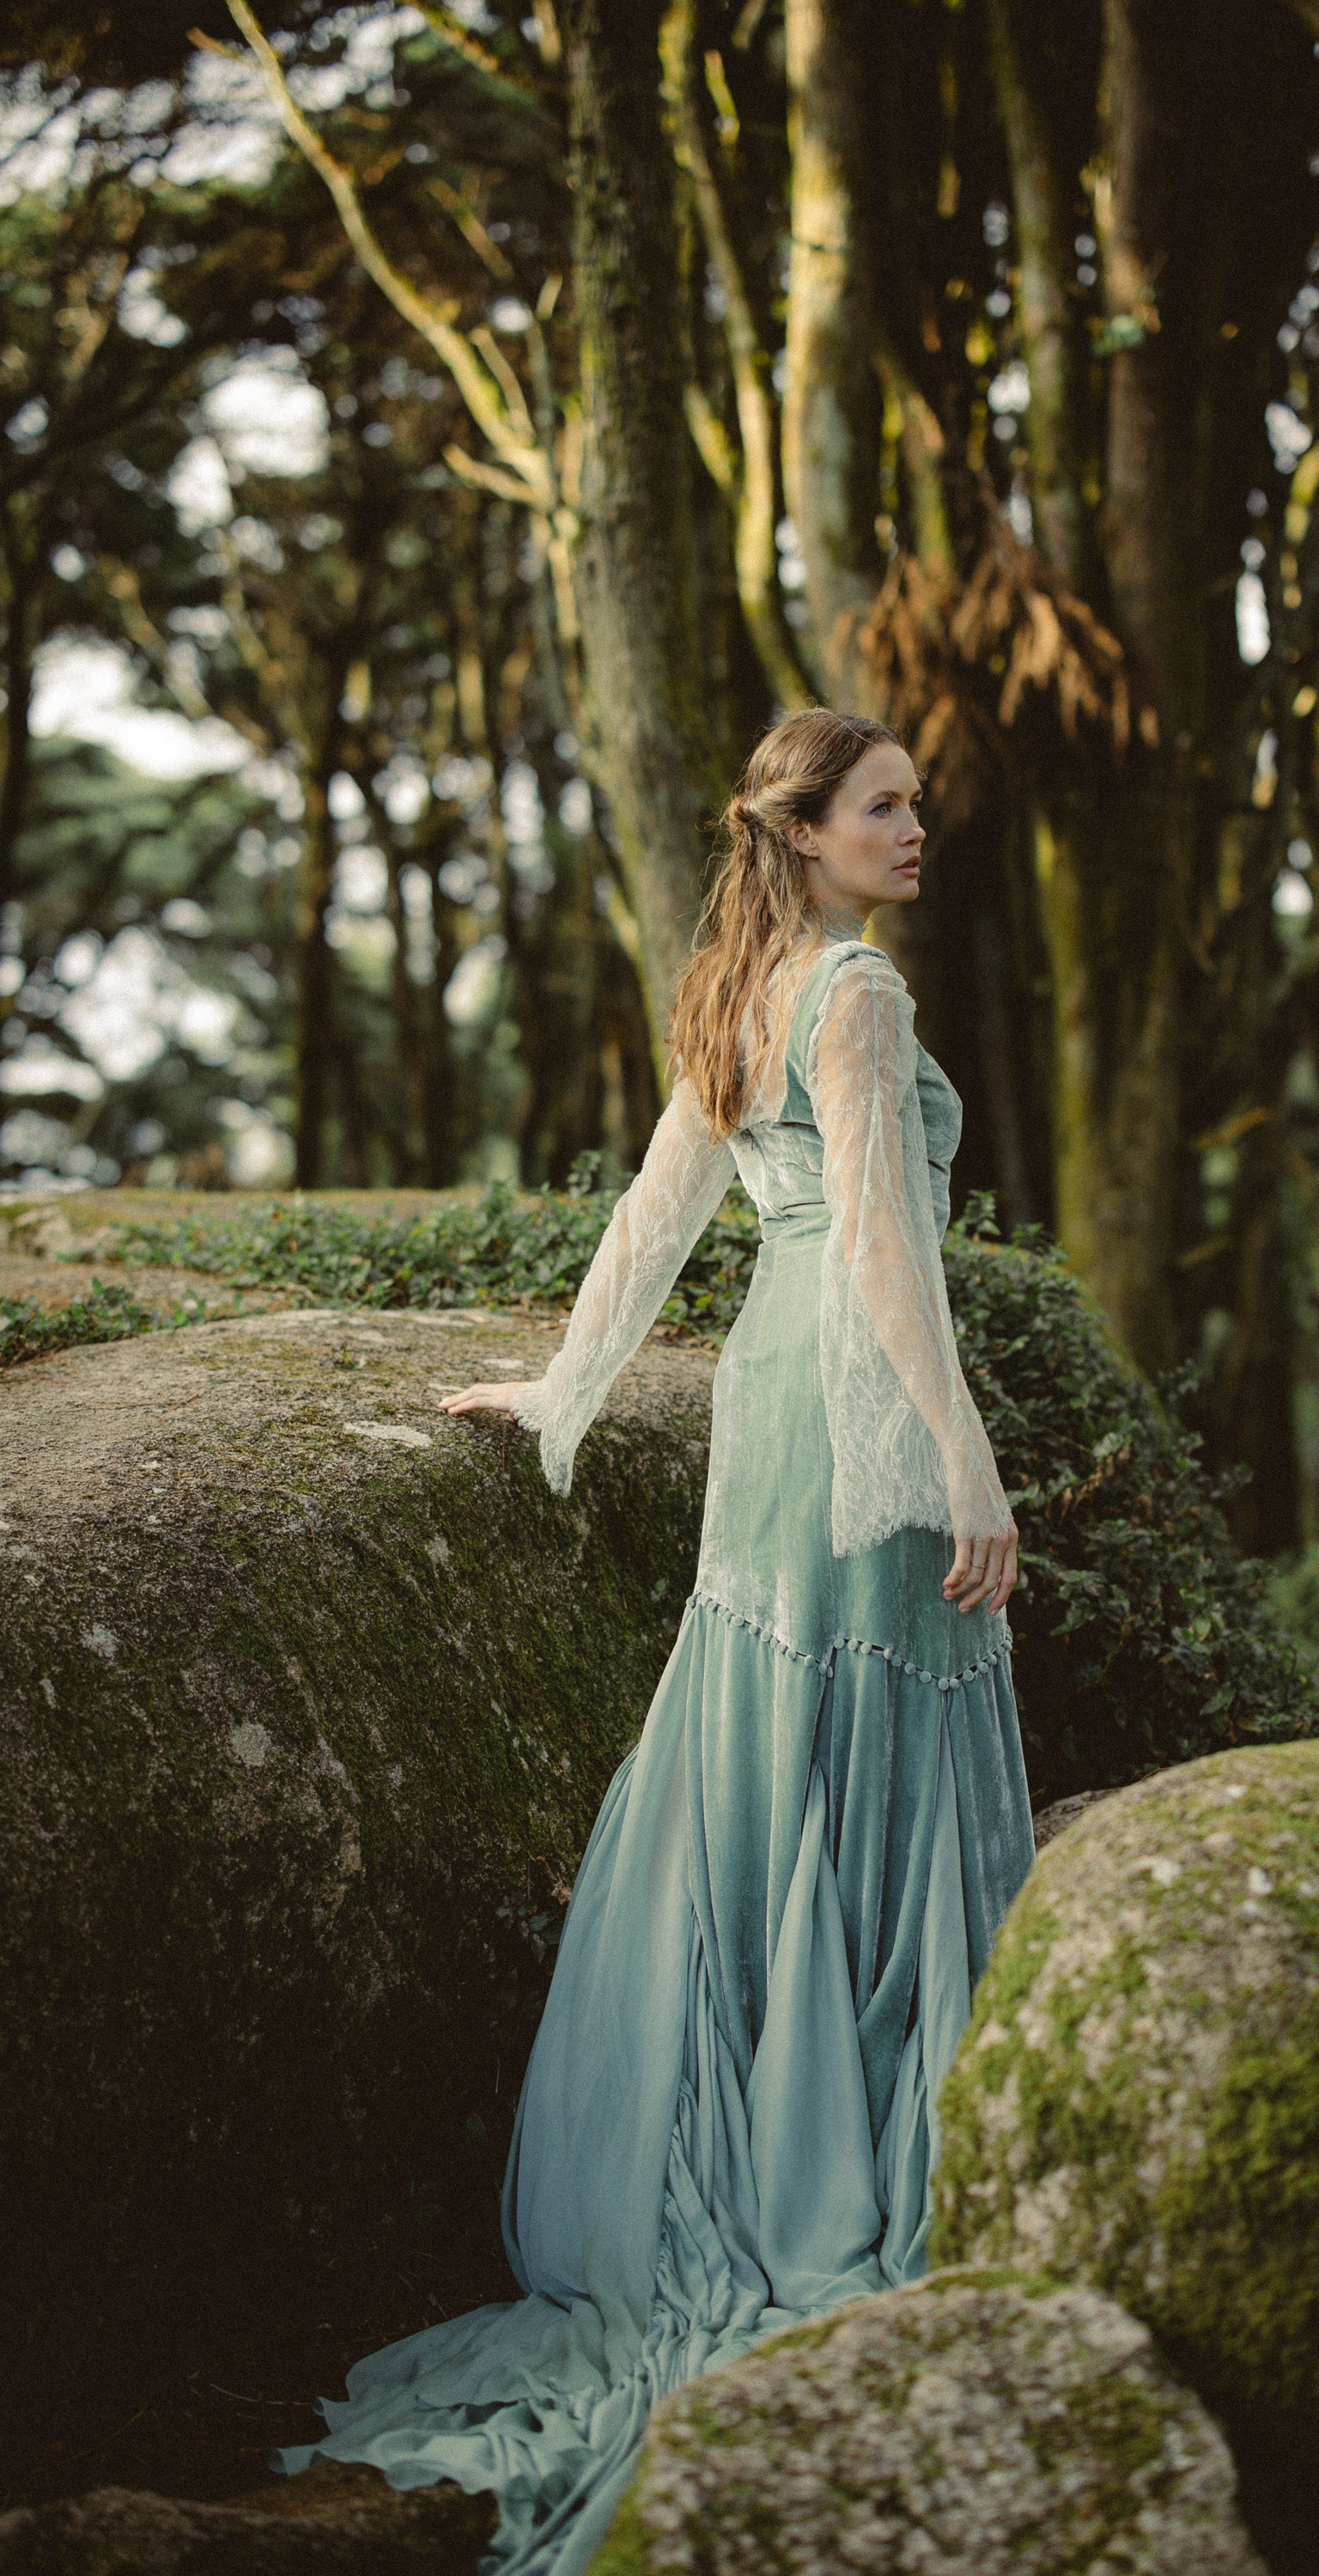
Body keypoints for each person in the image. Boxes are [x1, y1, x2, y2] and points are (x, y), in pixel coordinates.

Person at [278, 709, 1035, 2572]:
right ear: (803, 830)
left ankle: (751, 2124)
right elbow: (876, 1242)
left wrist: (567, 1389)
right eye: (884, 808)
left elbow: (655, 1214)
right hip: (849, 1397)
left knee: (762, 1742)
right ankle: (841, 2154)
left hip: (769, 1406)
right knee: (869, 1734)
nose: (915, 831)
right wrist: (967, 1454)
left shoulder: (742, 977)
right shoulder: (844, 989)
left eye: (916, 809)